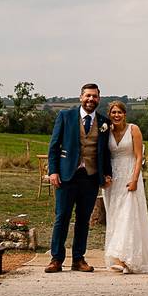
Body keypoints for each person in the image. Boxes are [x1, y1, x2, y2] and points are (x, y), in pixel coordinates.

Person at [46, 83, 112, 273]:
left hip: (90, 177)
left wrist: (107, 174)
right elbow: (54, 146)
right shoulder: (65, 116)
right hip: (67, 176)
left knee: (84, 219)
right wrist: (53, 171)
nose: (91, 99)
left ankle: (78, 259)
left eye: (95, 96)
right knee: (62, 217)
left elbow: (105, 152)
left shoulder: (103, 122)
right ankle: (56, 259)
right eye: (88, 96)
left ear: (99, 99)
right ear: (81, 97)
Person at [103, 101, 148, 273]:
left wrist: (135, 179)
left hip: (130, 174)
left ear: (125, 114)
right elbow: (103, 155)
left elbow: (138, 157)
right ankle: (117, 255)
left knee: (128, 215)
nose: (116, 115)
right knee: (115, 216)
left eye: (120, 112)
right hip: (113, 179)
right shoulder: (106, 131)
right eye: (113, 112)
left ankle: (125, 259)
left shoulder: (133, 129)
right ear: (109, 114)